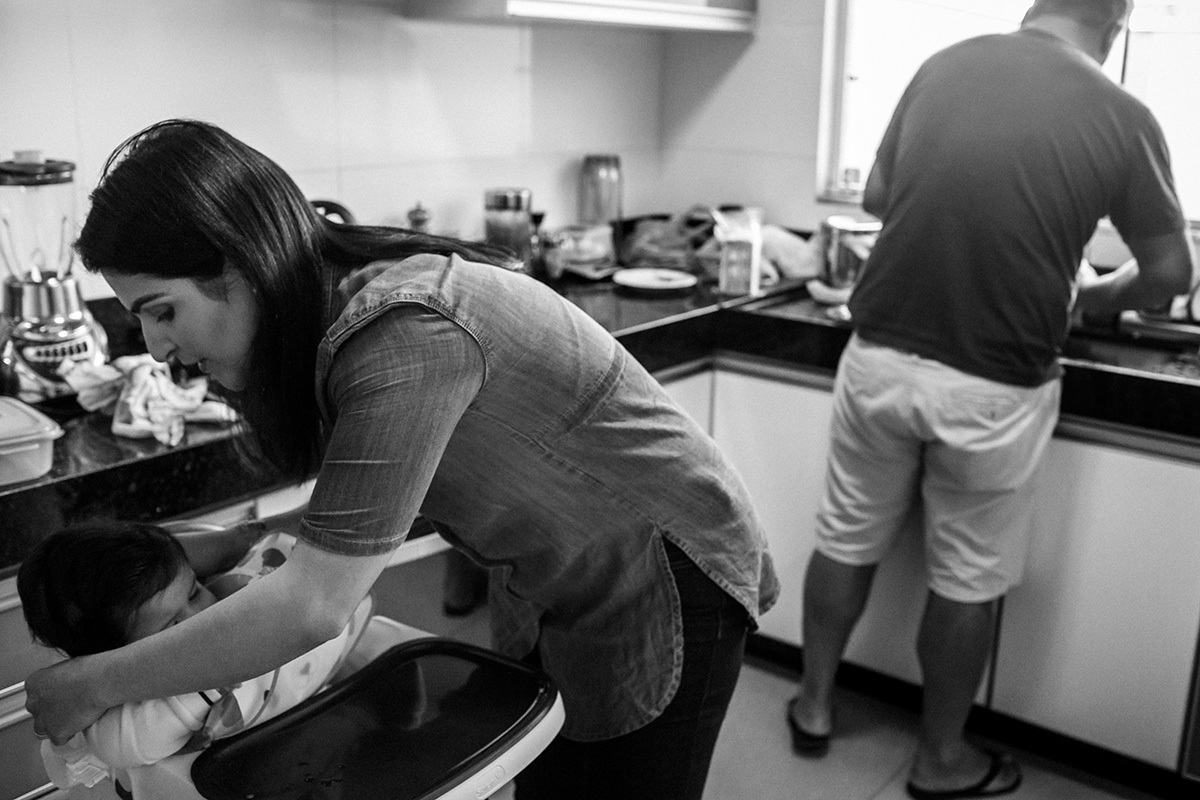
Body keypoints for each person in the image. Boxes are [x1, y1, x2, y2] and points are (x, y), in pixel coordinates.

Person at [23, 118, 779, 800]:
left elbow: (314, 606)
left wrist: (90, 684)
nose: (156, 349)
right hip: (557, 577)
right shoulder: (339, 322)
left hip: (661, 571)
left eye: (162, 310)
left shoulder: (402, 335)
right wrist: (248, 538)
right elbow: (384, 500)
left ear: (240, 265)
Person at [787, 1, 1195, 798]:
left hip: (877, 357)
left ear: (1034, 7)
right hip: (994, 385)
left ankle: (811, 705)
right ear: (1116, 22)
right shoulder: (1123, 114)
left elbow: (875, 198)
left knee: (844, 536)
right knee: (967, 575)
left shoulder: (945, 65)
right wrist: (1093, 299)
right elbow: (1173, 274)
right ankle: (939, 761)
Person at [18, 522, 372, 796]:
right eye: (172, 623)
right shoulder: (144, 715)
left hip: (316, 723)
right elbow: (116, 744)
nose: (200, 618)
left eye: (194, 591)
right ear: (108, 657)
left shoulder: (232, 595)